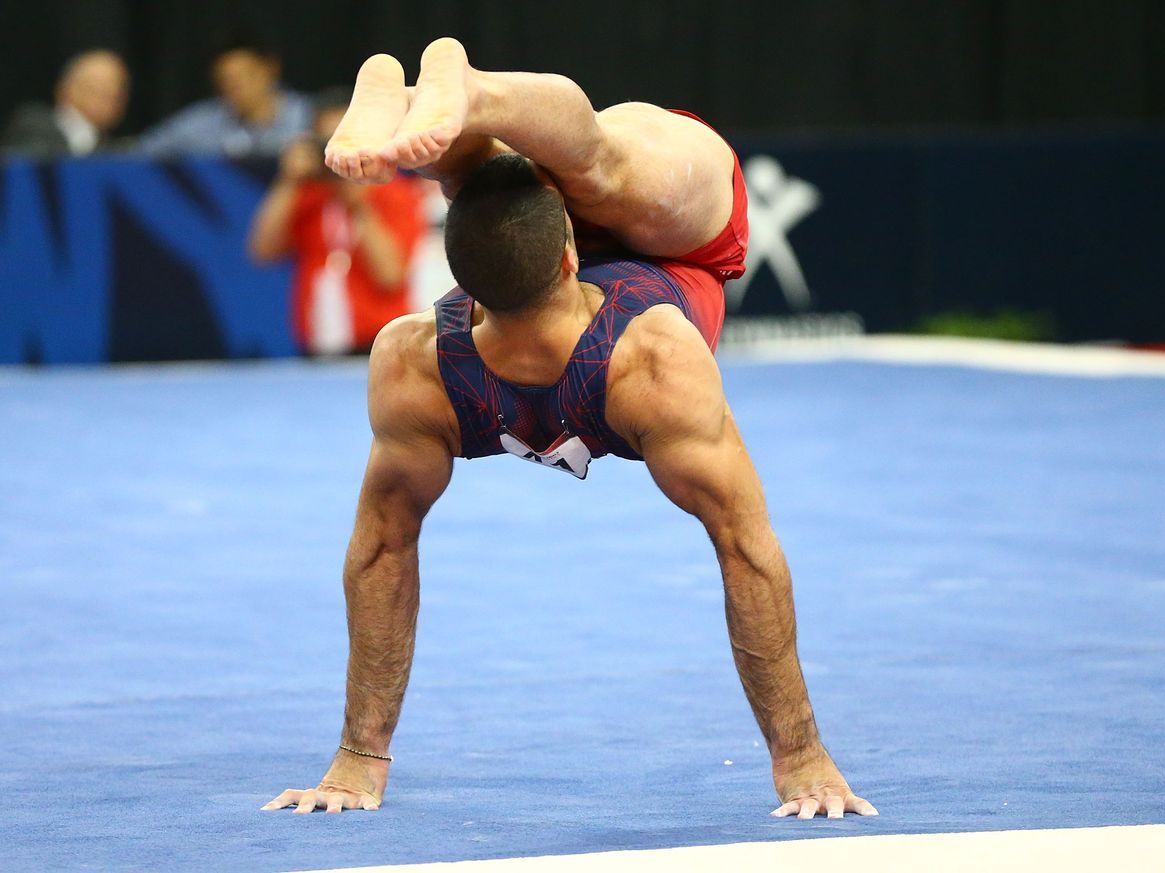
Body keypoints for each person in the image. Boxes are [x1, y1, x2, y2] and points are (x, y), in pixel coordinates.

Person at [262, 39, 875, 821]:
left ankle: (458, 125)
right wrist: (801, 759)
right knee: (601, 166)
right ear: (570, 257)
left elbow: (382, 548)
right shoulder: (653, 364)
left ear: (459, 287)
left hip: (574, 262)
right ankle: (464, 107)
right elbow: (745, 547)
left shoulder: (415, 361)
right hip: (679, 239)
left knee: (539, 180)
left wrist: (358, 760)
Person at [247, 89, 425, 355]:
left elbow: (390, 275)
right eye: (328, 141)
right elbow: (263, 251)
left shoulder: (393, 191)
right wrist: (287, 181)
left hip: (380, 345)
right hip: (316, 345)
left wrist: (359, 206)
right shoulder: (307, 194)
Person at [137, 32, 310, 158]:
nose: (237, 86)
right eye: (226, 80)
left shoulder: (308, 116)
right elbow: (140, 153)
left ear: (270, 68)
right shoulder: (201, 124)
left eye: (246, 75)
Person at [2, 50, 129, 157]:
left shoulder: (117, 152)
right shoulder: (32, 124)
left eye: (116, 93)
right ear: (65, 89)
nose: (107, 99)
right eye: (96, 88)